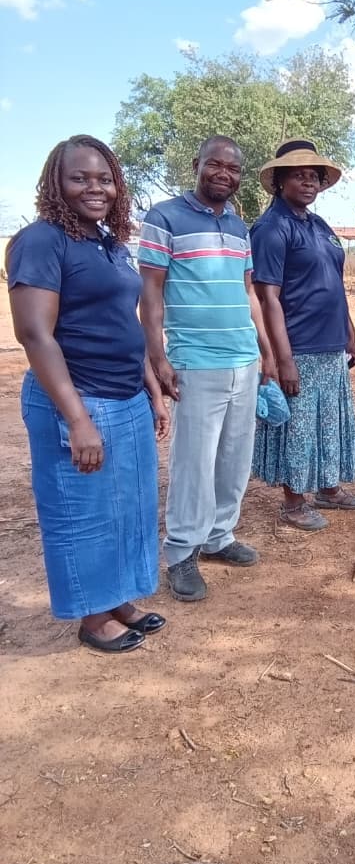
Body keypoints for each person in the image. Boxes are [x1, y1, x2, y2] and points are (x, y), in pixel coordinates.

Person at [7, 135, 170, 653]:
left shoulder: (109, 242)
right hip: (77, 398)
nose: (94, 188)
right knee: (83, 513)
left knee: (129, 509)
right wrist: (77, 419)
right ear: (56, 182)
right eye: (80, 178)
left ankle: (118, 598)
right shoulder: (41, 240)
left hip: (125, 397)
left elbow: (126, 321)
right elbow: (35, 334)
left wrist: (152, 388)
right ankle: (94, 617)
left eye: (104, 179)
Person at [138, 135, 276, 601]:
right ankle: (181, 551)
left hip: (243, 360)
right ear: (196, 165)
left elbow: (250, 293)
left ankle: (219, 537)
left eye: (233, 168)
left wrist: (266, 352)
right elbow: (151, 294)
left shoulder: (239, 227)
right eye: (214, 165)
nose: (224, 174)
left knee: (234, 459)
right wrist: (157, 355)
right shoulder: (164, 218)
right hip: (195, 362)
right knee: (193, 462)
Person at [250, 140, 355, 531]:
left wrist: (349, 329)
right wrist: (282, 360)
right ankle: (293, 501)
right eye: (299, 175)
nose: (309, 183)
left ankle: (329, 489)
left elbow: (333, 279)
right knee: (298, 426)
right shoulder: (271, 228)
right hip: (298, 345)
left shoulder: (318, 225)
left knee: (329, 421)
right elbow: (268, 297)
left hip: (330, 343)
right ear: (279, 181)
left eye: (314, 176)